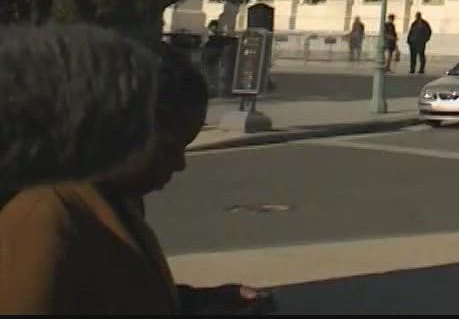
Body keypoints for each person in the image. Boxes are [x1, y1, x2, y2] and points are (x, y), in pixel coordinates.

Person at [0, 26, 274, 314]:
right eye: (169, 146)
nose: (179, 164)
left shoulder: (116, 200)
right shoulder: (42, 217)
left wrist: (202, 302)